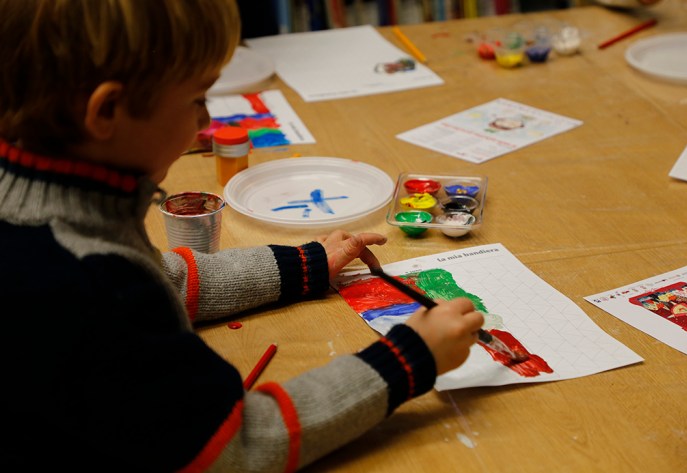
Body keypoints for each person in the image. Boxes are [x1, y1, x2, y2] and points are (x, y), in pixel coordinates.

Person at [0, 1, 485, 471]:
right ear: (107, 111)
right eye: (197, 100)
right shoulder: (87, 285)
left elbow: (158, 280)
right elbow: (236, 447)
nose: (206, 122)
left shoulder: (52, 221)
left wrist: (305, 264)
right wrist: (408, 358)